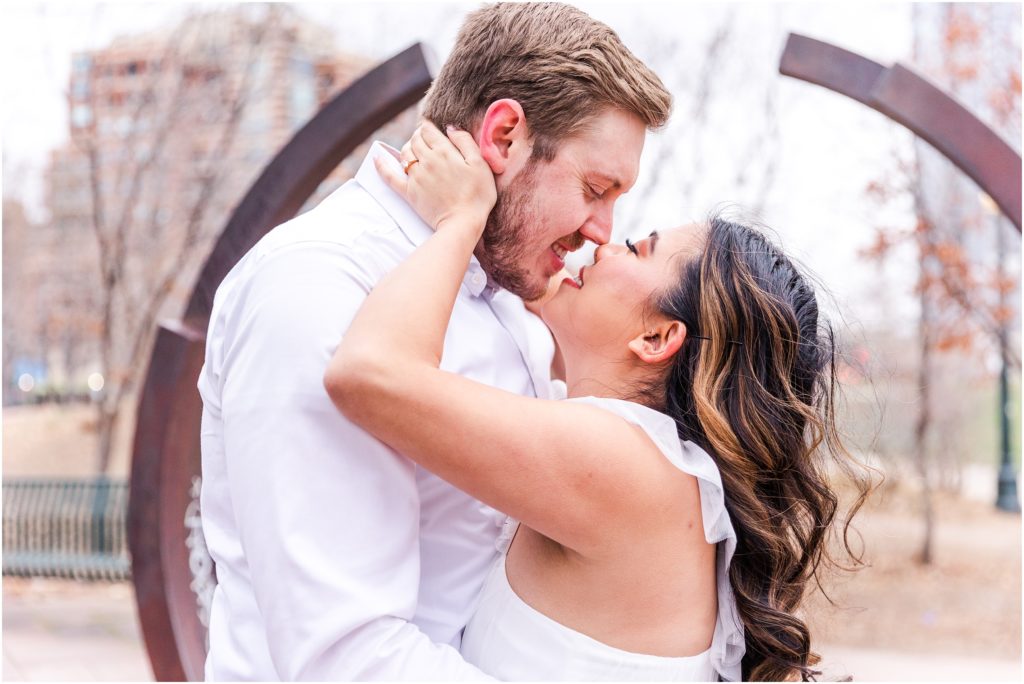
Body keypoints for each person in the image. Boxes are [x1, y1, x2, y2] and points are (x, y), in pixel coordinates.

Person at [197, 2, 671, 679]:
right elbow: (344, 654)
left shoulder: (502, 295)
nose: (602, 229)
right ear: (504, 136)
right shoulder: (316, 283)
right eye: (595, 189)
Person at [324, 123, 872, 681]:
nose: (605, 243)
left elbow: (367, 373)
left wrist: (460, 220)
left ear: (657, 339)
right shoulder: (652, 472)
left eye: (637, 249)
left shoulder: (622, 462)